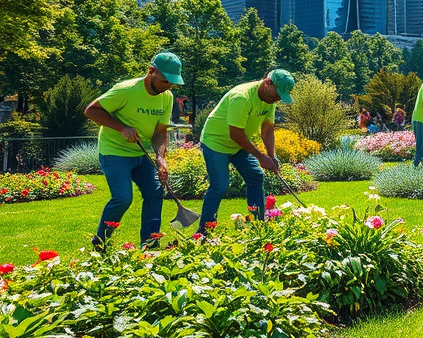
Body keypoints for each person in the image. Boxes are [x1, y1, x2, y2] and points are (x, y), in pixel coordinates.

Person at [84, 52, 184, 248]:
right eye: (165, 81)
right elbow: (91, 111)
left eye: (172, 83)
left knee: (155, 191)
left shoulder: (167, 97)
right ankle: (101, 241)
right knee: (122, 198)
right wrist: (122, 128)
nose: (169, 86)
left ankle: (150, 244)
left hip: (140, 153)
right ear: (151, 71)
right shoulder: (126, 90)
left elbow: (160, 132)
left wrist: (160, 158)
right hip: (114, 152)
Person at [197, 70, 294, 234]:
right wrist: (261, 157)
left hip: (237, 145)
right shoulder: (242, 97)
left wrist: (272, 157)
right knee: (219, 185)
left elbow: (268, 128)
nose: (277, 99)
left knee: (255, 176)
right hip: (216, 143)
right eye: (277, 94)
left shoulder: (270, 101)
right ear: (267, 83)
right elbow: (236, 134)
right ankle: (205, 231)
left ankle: (258, 224)